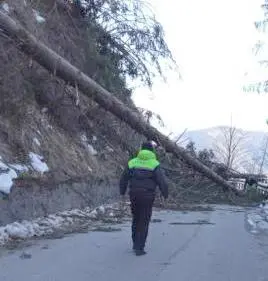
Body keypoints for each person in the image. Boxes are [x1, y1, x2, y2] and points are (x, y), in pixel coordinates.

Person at [119, 141, 168, 256]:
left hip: (134, 194)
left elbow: (123, 178)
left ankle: (135, 243)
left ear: (141, 150)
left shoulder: (132, 162)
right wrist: (165, 194)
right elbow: (162, 181)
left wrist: (122, 192)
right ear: (152, 151)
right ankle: (139, 248)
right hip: (147, 196)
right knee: (144, 220)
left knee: (135, 218)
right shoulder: (154, 164)